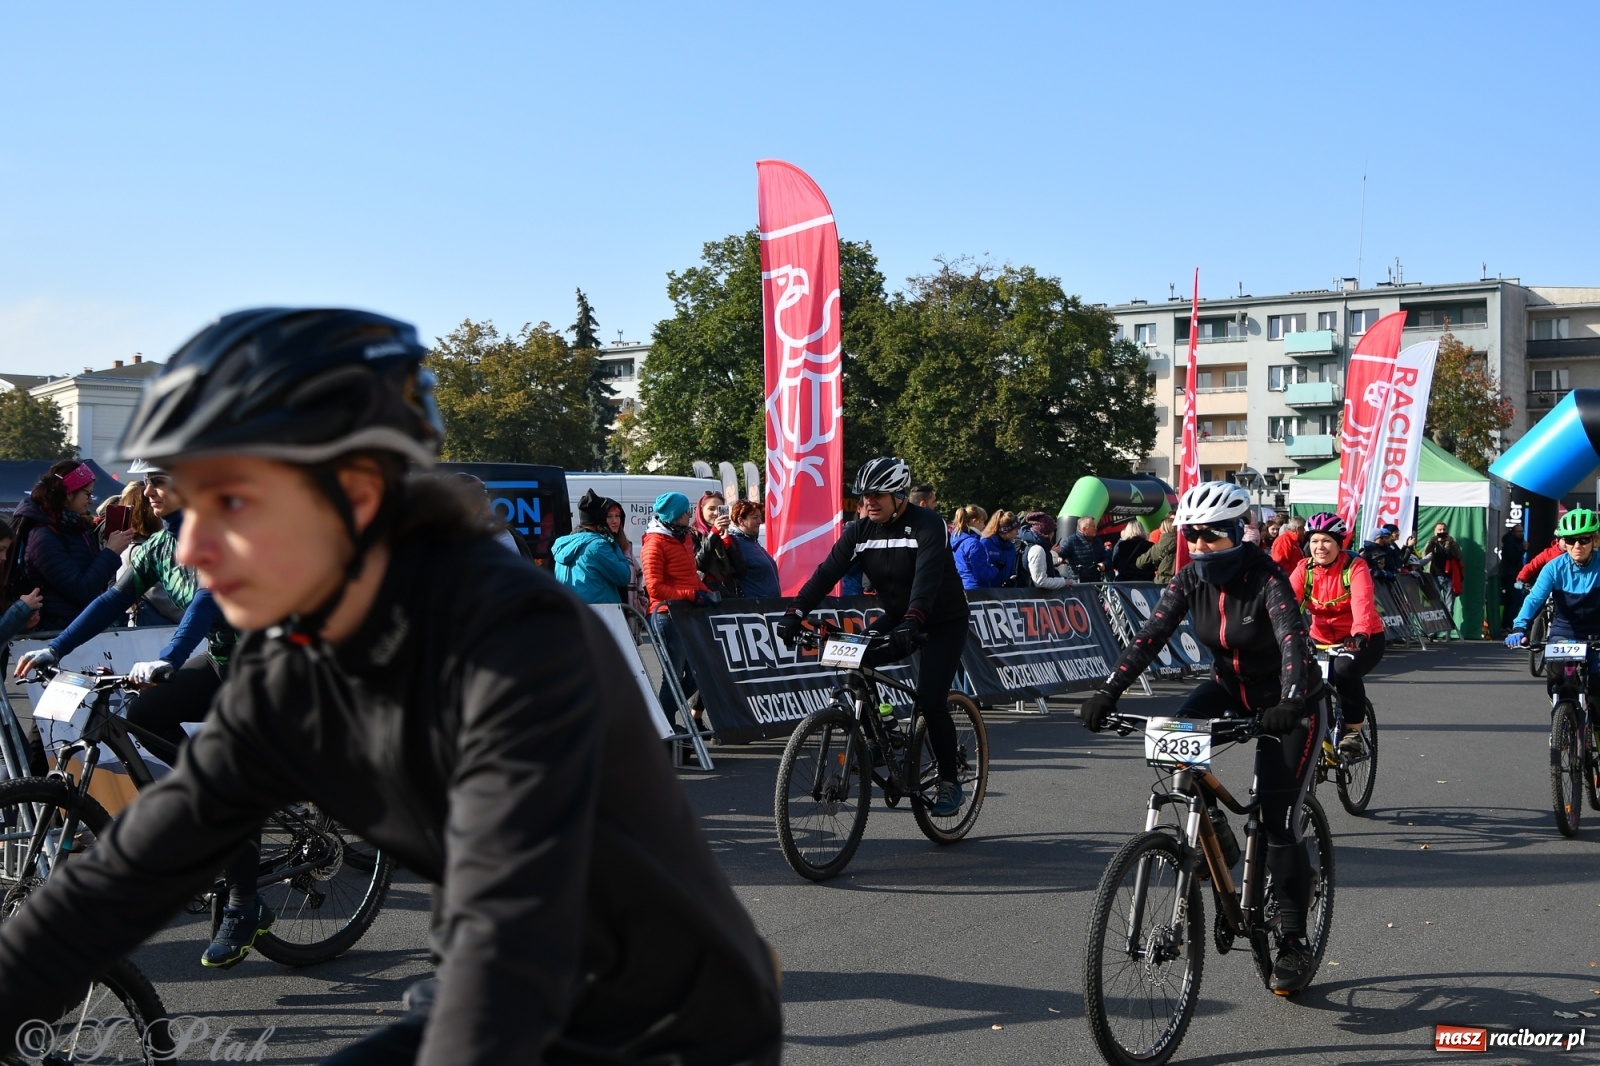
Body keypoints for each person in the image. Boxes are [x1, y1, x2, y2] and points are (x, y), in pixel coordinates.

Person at [0, 308, 783, 1065]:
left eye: (227, 502)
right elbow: (123, 881)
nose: (193, 547)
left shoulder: (513, 642)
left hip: (663, 1025)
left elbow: (514, 962)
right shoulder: (296, 662)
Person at [1078, 481, 1323, 994]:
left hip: (1288, 701)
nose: (1199, 546)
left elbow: (1293, 645)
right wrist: (1108, 690)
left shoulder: (1268, 578)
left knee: (1278, 820)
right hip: (1227, 689)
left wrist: (1291, 701)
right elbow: (1150, 637)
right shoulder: (1190, 579)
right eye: (1191, 535)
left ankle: (1294, 939)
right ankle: (1216, 833)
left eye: (1210, 537)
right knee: (1172, 745)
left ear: (1237, 533)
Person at [13, 459, 253, 966]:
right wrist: (54, 649)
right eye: (145, 483)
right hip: (226, 661)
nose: (148, 492)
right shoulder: (161, 547)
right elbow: (109, 600)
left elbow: (205, 602)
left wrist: (166, 659)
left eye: (159, 482)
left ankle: (244, 903)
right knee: (145, 717)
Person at [776, 457, 971, 817]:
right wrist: (795, 613)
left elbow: (927, 580)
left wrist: (914, 621)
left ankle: (949, 782)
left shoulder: (929, 524)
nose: (868, 503)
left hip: (943, 620)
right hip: (899, 616)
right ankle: (882, 736)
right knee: (851, 662)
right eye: (864, 496)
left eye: (878, 496)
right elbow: (826, 573)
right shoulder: (859, 530)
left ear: (899, 495)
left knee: (930, 700)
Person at [1288, 512, 1384, 756]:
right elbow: (1285, 605)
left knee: (1343, 671)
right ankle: (1324, 732)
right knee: (1310, 680)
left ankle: (1353, 732)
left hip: (1362, 638)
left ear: (1340, 544)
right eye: (1315, 541)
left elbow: (1362, 602)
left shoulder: (1355, 567)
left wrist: (1360, 634)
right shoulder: (1304, 569)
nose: (1320, 547)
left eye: (1327, 541)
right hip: (1321, 640)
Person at [13, 460, 133, 630]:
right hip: (55, 632)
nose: (91, 500)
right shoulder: (42, 536)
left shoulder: (73, 527)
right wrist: (111, 552)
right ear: (68, 493)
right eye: (87, 494)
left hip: (74, 627)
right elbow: (82, 590)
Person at [642, 491, 716, 724]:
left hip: (686, 614)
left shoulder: (683, 537)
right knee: (673, 677)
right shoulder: (654, 542)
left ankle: (661, 717)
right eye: (685, 512)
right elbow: (654, 588)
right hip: (666, 616)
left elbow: (691, 576)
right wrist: (692, 595)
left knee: (696, 674)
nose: (689, 515)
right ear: (675, 515)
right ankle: (665, 723)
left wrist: (706, 593)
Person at [1507, 511, 1600, 684]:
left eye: (1584, 540)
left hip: (1597, 631)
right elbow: (1534, 599)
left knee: (1597, 686)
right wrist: (1519, 628)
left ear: (1595, 540)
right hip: (1564, 631)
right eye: (1571, 540)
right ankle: (1563, 708)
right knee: (1556, 679)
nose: (1577, 546)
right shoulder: (1554, 567)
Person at [551, 489, 631, 605]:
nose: (613, 521)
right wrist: (614, 544)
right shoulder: (598, 545)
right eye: (608, 517)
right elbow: (624, 576)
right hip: (599, 614)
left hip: (570, 613)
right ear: (601, 520)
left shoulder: (563, 543)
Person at [691, 490, 747, 599]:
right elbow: (699, 565)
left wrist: (727, 542)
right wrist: (714, 533)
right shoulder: (692, 534)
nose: (716, 513)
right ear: (701, 511)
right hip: (706, 596)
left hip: (729, 595)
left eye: (720, 509)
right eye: (711, 509)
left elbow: (741, 571)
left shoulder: (729, 536)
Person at [729, 499, 780, 598]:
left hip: (769, 606)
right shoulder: (735, 543)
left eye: (760, 517)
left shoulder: (753, 542)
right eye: (755, 517)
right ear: (740, 520)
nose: (760, 521)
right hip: (756, 608)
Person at [1420, 521, 1464, 626]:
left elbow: (1458, 556)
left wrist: (1452, 544)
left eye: (1444, 530)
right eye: (1439, 530)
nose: (1442, 531)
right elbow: (1425, 555)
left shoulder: (1451, 542)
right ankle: (1433, 630)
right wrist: (1432, 542)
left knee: (1449, 606)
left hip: (1449, 577)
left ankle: (1447, 631)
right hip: (1434, 576)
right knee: (1433, 604)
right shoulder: (1431, 542)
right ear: (1435, 531)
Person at [1013, 511, 1068, 589]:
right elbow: (1040, 581)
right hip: (1031, 596)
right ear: (1048, 532)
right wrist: (1064, 582)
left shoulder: (1026, 542)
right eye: (1053, 530)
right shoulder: (1037, 549)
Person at [949, 504, 996, 589]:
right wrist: (995, 568)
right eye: (983, 521)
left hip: (962, 587)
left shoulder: (955, 540)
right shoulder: (974, 544)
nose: (984, 525)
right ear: (975, 521)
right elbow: (982, 575)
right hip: (976, 590)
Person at [979, 510, 1020, 588]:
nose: (1017, 533)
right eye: (1015, 530)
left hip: (1005, 594)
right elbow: (981, 572)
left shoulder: (1011, 548)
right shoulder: (985, 544)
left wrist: (1012, 582)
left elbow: (1012, 572)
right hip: (987, 594)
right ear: (1006, 530)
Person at [1061, 516, 1108, 582]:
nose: (1096, 528)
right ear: (1084, 529)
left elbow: (1107, 557)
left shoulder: (1098, 542)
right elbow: (1062, 553)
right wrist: (1059, 557)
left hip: (1096, 584)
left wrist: (1104, 564)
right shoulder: (1071, 541)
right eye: (1093, 526)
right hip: (1078, 584)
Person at [1137, 513, 1178, 585]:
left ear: (1163, 529)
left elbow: (1140, 563)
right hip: (1182, 580)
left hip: (1164, 582)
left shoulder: (1159, 546)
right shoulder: (1187, 542)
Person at [1501, 527, 1527, 633]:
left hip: (1514, 575)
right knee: (1515, 600)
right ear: (1513, 532)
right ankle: (1510, 624)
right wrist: (1523, 549)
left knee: (1511, 601)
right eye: (1518, 532)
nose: (1521, 534)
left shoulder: (1516, 541)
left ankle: (1506, 625)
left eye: (1522, 531)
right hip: (1511, 576)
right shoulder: (1510, 543)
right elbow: (1513, 557)